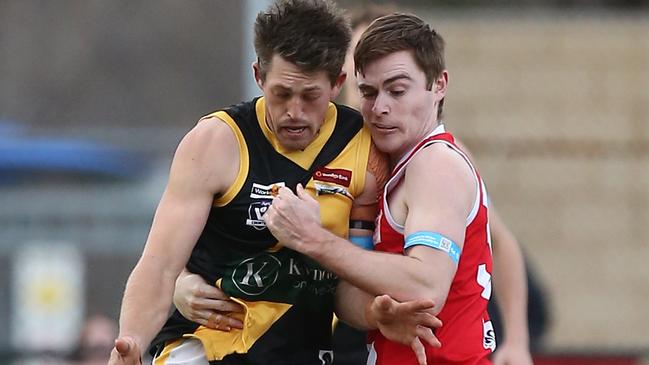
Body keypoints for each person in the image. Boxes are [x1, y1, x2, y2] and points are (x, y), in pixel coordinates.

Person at [107, 1, 440, 365]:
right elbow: (159, 265)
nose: (294, 112)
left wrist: (375, 314)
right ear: (259, 76)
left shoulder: (364, 149)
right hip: (206, 347)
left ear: (337, 84)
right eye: (281, 94)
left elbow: (346, 287)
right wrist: (131, 341)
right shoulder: (215, 143)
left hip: (303, 351)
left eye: (310, 96)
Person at [261, 12, 498, 364]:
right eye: (368, 92)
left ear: (439, 85)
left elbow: (425, 286)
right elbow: (350, 293)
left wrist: (313, 238)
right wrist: (375, 313)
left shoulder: (436, 165)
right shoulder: (388, 167)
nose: (380, 108)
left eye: (397, 90)